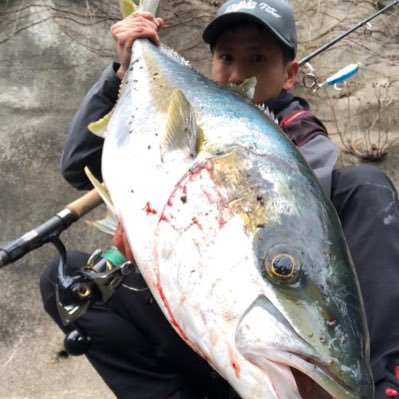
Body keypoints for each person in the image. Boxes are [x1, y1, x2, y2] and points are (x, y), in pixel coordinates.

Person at [40, 0, 399, 398]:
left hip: (242, 305)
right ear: (210, 61)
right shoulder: (174, 103)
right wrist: (122, 74)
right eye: (226, 56)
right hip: (192, 309)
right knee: (66, 280)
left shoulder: (302, 137)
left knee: (366, 186)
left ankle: (384, 384)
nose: (238, 72)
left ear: (290, 74)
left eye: (258, 58)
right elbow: (76, 166)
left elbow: (282, 218)